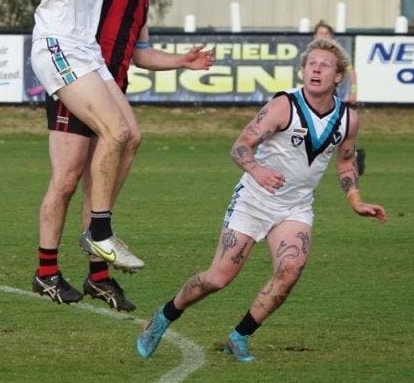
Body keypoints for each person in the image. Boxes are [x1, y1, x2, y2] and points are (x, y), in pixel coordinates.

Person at [136, 38, 387, 362]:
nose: (316, 69)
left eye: (324, 65)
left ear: (338, 76)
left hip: (295, 206)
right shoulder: (284, 106)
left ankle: (239, 336)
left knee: (291, 269)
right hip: (254, 200)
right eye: (311, 64)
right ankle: (164, 317)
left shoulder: (348, 119)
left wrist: (355, 200)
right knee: (217, 278)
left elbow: (345, 161)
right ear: (303, 71)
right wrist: (257, 170)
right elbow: (240, 146)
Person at [28, 0, 191, 278]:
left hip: (85, 50)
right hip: (57, 46)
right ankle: (98, 232)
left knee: (130, 136)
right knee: (113, 132)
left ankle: (97, 231)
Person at [35, 0, 214, 309]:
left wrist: (183, 61)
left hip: (108, 88)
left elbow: (140, 52)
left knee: (99, 182)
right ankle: (46, 271)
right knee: (66, 180)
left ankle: (98, 276)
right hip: (76, 83)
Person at [311, 20, 365, 176]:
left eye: (326, 34)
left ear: (332, 36)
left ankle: (351, 157)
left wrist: (353, 92)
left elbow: (351, 72)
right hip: (309, 98)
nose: (323, 36)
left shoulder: (337, 52)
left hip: (327, 97)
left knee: (330, 132)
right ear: (315, 35)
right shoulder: (309, 53)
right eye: (320, 33)